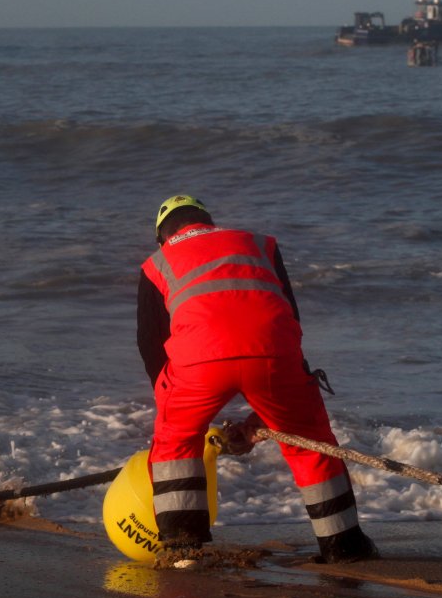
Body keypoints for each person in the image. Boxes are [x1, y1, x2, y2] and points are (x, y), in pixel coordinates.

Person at [136, 194, 378, 564]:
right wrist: (261, 418)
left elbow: (149, 342)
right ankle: (344, 547)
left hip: (198, 365)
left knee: (176, 443)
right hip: (273, 353)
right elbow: (287, 322)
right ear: (209, 222)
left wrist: (171, 401)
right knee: (308, 442)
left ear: (162, 237)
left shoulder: (157, 263)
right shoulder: (258, 245)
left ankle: (184, 551)